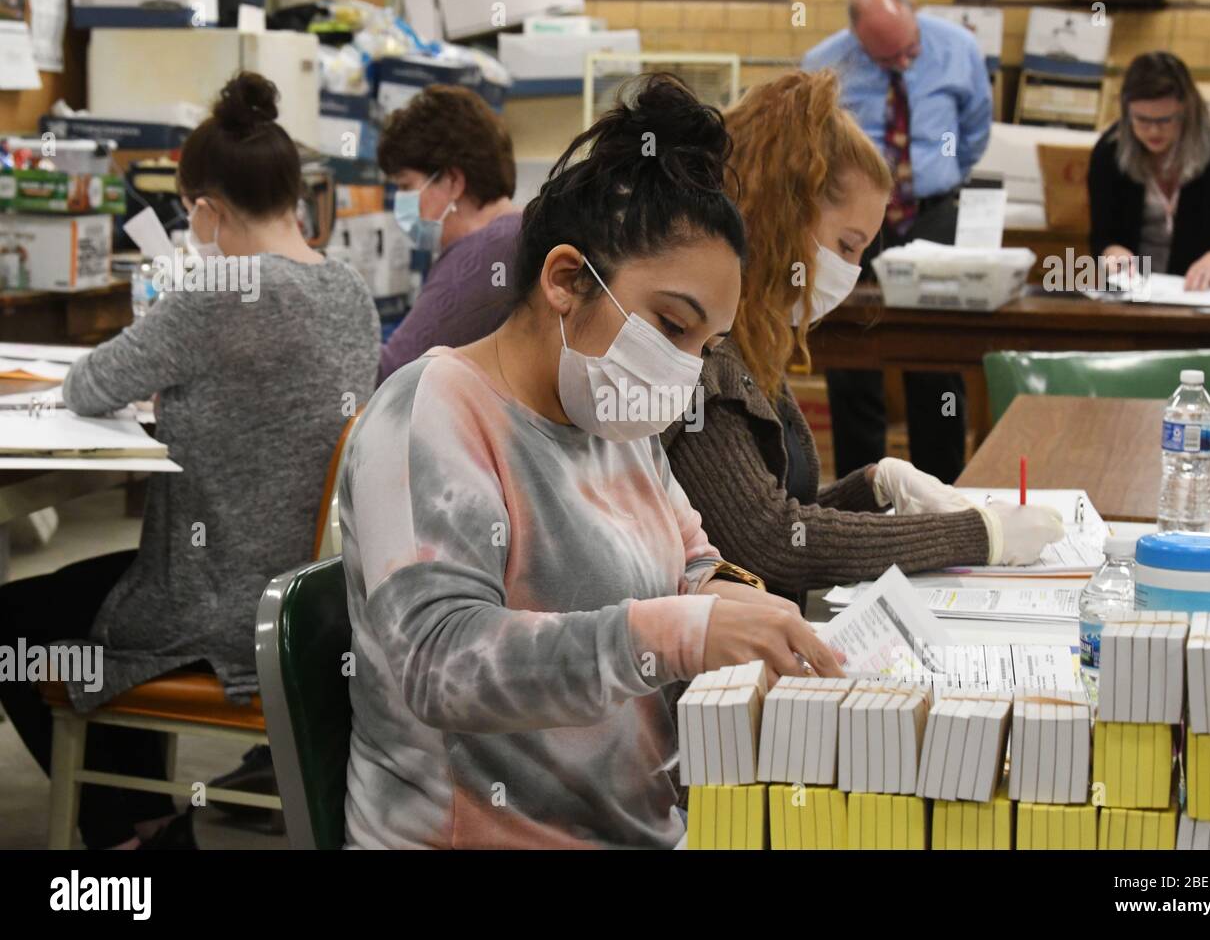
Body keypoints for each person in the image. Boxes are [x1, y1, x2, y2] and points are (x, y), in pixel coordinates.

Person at [338, 75, 842, 850]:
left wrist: (731, 601)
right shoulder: (429, 414)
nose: (682, 368)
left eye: (704, 345)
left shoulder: (617, 417)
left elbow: (692, 558)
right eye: (670, 325)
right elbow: (441, 663)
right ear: (566, 279)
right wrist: (677, 632)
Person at [0, 72, 380, 849]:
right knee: (80, 597)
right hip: (305, 594)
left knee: (16, 623)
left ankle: (124, 835)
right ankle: (152, 820)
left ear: (206, 208)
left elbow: (90, 380)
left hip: (215, 602)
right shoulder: (348, 289)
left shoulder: (219, 292)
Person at [662, 69, 1063, 603]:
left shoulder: (753, 336)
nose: (850, 272)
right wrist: (977, 536)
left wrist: (873, 486)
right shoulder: (702, 344)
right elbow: (771, 542)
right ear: (785, 214)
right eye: (847, 245)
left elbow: (778, 518)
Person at [802, 0, 992, 484]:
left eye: (910, 50)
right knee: (853, 355)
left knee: (935, 356)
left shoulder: (959, 48)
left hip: (933, 213)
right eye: (887, 58)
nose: (903, 63)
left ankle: (942, 488)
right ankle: (860, 491)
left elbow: (975, 132)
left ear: (914, 13)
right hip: (858, 223)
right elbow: (810, 152)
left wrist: (938, 180)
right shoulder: (823, 65)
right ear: (858, 39)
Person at [1088, 51, 1210, 395]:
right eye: (1142, 120)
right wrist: (1113, 252)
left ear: (1187, 110)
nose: (1153, 131)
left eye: (1165, 120)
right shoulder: (1110, 151)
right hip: (1138, 313)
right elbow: (1102, 235)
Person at [376, 85, 520, 382]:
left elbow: (394, 376)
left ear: (453, 180)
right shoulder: (518, 230)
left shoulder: (485, 252)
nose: (399, 201)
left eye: (405, 186)